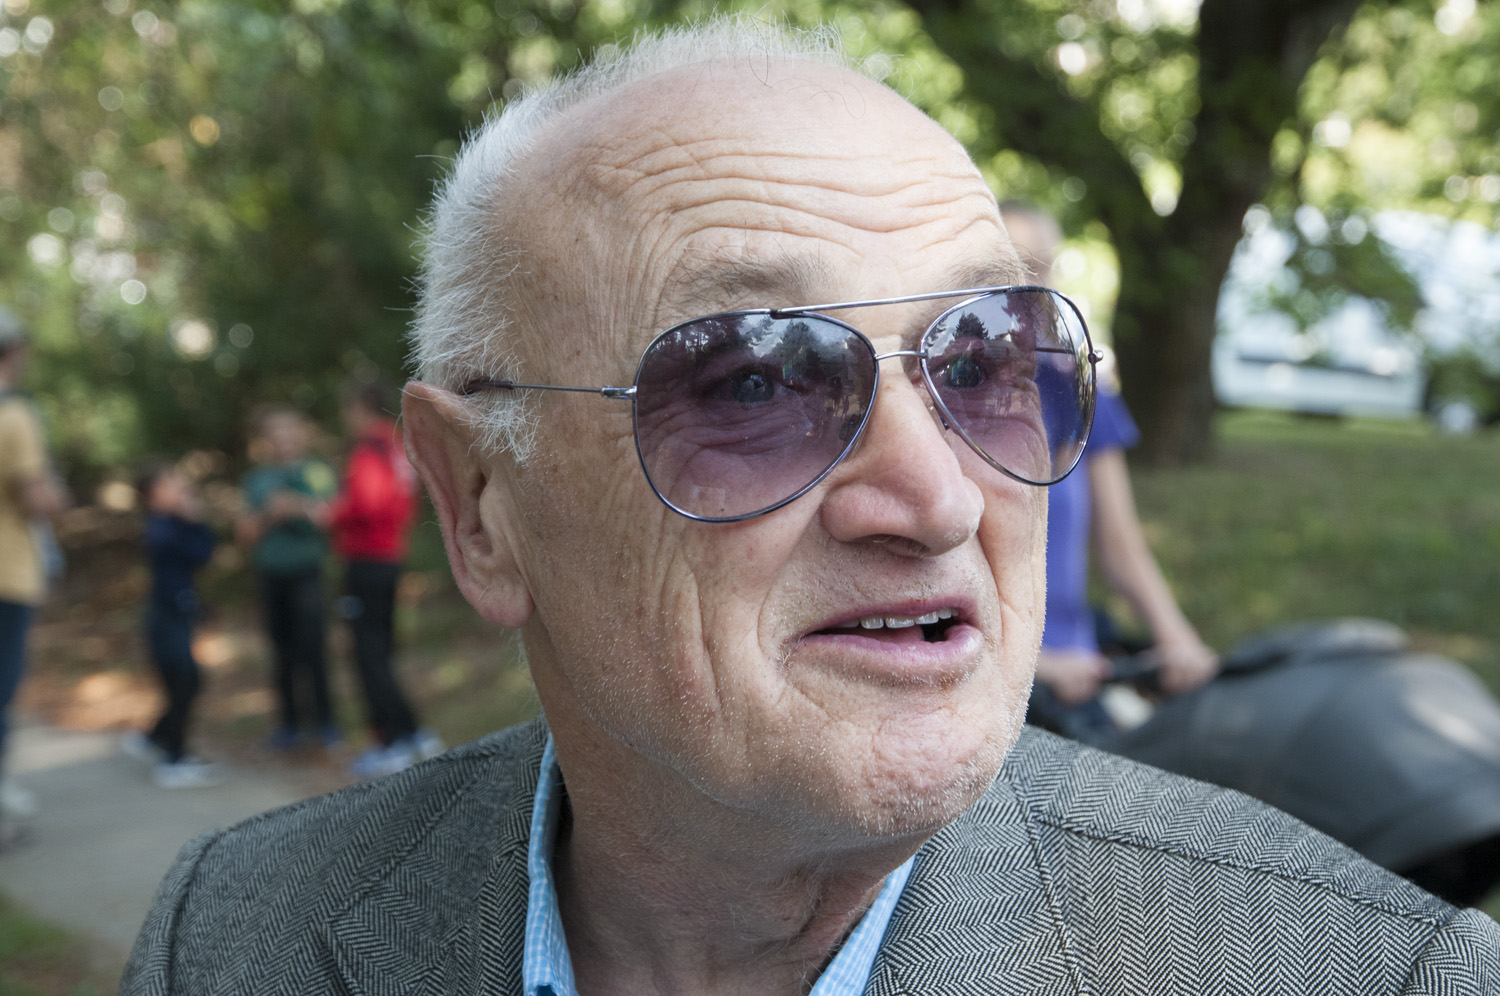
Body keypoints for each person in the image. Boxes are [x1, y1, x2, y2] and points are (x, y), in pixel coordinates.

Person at [122, 20, 1499, 993]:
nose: (936, 499)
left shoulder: (1375, 972)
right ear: (482, 504)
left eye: (987, 361)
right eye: (751, 382)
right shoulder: (231, 934)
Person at [998, 202, 1218, 736]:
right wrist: (1040, 667)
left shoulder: (1078, 387)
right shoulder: (944, 392)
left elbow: (1121, 546)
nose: (1030, 290)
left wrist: (1175, 637)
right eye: (1011, 271)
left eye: (1042, 268)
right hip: (1002, 686)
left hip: (1082, 669)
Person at [327, 380, 438, 777]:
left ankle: (389, 742)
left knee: (368, 653)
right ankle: (411, 732)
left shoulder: (369, 448)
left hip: (367, 560)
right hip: (390, 557)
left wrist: (326, 513)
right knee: (382, 652)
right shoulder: (395, 445)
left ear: (361, 407)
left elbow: (366, 503)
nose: (345, 418)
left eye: (348, 409)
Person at [236, 405, 339, 750]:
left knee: (313, 647)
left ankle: (325, 723)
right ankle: (289, 725)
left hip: (307, 572)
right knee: (281, 651)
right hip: (270, 574)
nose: (284, 442)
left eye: (289, 434)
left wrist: (296, 507)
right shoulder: (257, 480)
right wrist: (270, 514)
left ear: (300, 436)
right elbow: (244, 533)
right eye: (276, 436)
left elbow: (333, 517)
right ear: (267, 441)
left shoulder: (317, 471)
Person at [0, 307, 64, 852]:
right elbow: (36, 496)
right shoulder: (15, 416)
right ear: (15, 352)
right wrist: (57, 494)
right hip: (8, 573)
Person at [121, 462, 222, 789]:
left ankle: (156, 739)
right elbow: (189, 551)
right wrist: (193, 519)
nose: (179, 489)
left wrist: (195, 521)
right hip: (166, 614)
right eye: (171, 484)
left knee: (187, 681)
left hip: (177, 611)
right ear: (153, 493)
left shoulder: (172, 524)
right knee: (184, 679)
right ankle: (171, 758)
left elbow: (202, 554)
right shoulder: (159, 527)